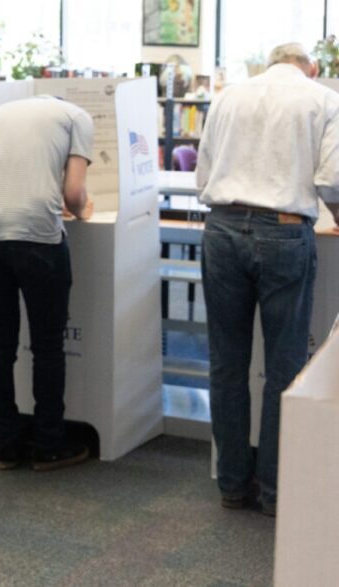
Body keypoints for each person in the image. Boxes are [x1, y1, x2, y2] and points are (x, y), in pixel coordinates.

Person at [196, 42, 339, 517]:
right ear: (312, 69)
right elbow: (332, 181)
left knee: (227, 362)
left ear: (270, 62)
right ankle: (277, 492)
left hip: (220, 228)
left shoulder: (228, 95)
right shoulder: (322, 98)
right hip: (282, 231)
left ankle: (233, 485)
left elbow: (203, 177)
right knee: (284, 367)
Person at [0, 95, 94, 471]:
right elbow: (73, 194)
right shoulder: (77, 115)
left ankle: (6, 444)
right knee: (47, 345)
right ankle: (49, 444)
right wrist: (82, 209)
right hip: (37, 235)